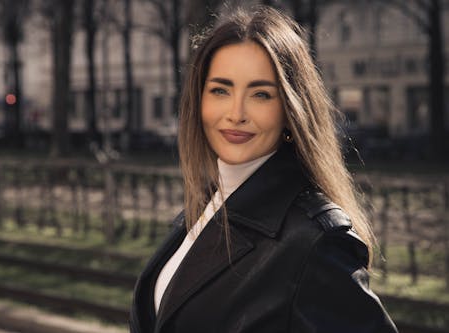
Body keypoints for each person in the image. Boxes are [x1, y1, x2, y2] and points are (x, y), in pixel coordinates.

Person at [131, 5, 398, 333]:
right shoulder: (206, 205)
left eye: (260, 94)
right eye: (220, 90)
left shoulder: (316, 240)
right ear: (198, 101)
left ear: (289, 110)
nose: (236, 112)